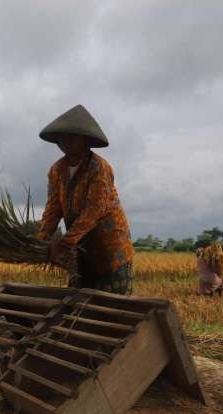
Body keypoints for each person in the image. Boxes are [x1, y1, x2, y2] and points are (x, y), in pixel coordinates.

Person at [36, 105, 135, 294]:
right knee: (79, 307)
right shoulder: (56, 170)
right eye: (62, 137)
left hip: (110, 249)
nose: (66, 142)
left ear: (86, 140)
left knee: (112, 308)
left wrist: (65, 242)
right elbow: (53, 209)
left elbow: (93, 212)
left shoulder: (99, 168)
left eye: (72, 137)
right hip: (82, 250)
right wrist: (42, 240)